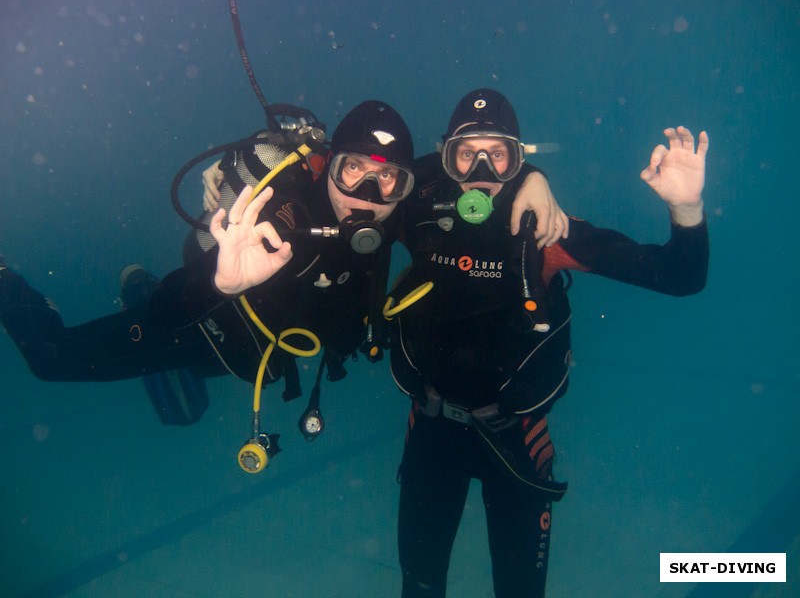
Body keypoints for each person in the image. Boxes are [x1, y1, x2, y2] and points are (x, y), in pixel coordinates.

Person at [0, 99, 566, 450]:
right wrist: (220, 283)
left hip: (268, 360)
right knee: (53, 361)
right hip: (208, 332)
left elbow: (470, 169)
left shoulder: (394, 214)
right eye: (352, 172)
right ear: (327, 171)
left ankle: (136, 284)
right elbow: (170, 314)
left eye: (388, 180)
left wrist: (530, 175)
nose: (367, 197)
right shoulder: (283, 217)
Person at [388, 88, 709, 597]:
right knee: (419, 586)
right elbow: (365, 177)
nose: (482, 171)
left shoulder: (547, 232)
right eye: (466, 155)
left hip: (515, 438)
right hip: (430, 430)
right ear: (445, 158)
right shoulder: (416, 214)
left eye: (500, 155)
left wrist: (685, 207)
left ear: (518, 159)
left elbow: (678, 276)